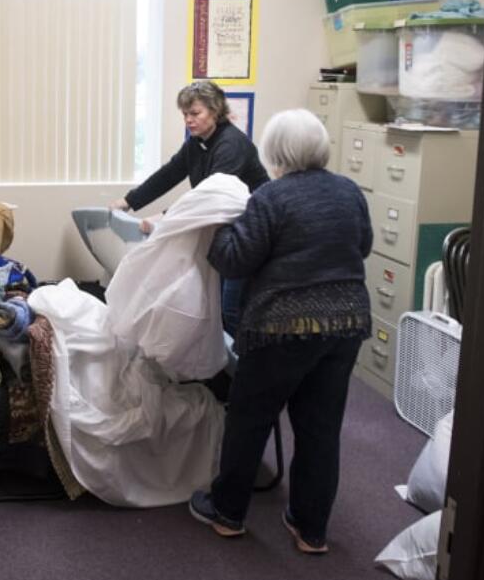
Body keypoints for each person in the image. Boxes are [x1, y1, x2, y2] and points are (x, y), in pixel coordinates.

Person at [187, 108, 372, 555]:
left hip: (281, 329)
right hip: (345, 325)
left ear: (276, 152)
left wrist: (217, 226)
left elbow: (234, 259)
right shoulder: (349, 192)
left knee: (250, 419)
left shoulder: (271, 198)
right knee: (321, 427)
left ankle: (228, 512)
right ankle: (311, 529)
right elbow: (362, 246)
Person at [110, 80, 268, 337]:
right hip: (224, 232)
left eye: (195, 113)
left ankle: (244, 373)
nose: (189, 120)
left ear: (215, 111)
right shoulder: (198, 142)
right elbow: (170, 173)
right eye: (185, 114)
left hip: (250, 235)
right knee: (215, 307)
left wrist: (164, 217)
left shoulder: (231, 145)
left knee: (230, 310)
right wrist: (129, 201)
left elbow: (209, 196)